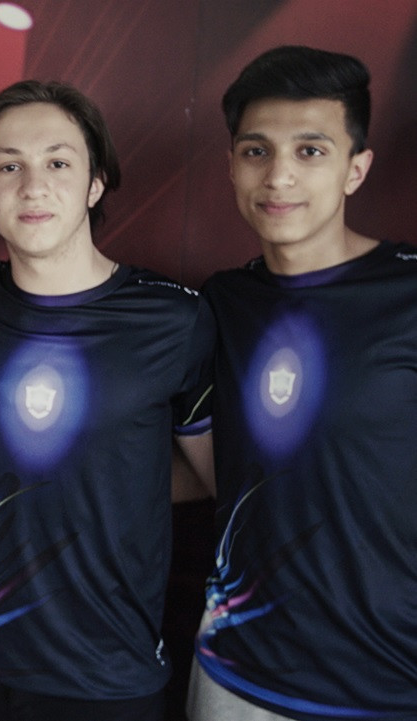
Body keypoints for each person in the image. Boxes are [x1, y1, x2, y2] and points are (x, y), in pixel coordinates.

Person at [0, 80, 214, 721]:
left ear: (94, 184)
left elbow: (212, 475)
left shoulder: (173, 319)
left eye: (58, 163)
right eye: (9, 166)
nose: (34, 186)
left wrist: (108, 480)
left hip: (106, 677)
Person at [189, 45, 417, 721]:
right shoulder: (219, 304)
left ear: (355, 168)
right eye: (256, 151)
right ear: (232, 164)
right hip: (237, 676)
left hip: (390, 681)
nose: (279, 176)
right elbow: (216, 466)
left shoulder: (407, 292)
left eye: (310, 151)